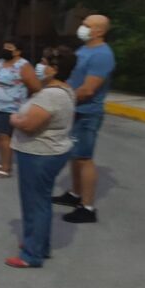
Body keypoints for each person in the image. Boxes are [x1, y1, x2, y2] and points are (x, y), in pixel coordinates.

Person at [5, 47, 77, 268]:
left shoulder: (50, 95)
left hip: (38, 154)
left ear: (54, 69)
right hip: (50, 152)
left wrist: (14, 119)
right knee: (41, 202)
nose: (40, 66)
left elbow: (29, 125)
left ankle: (31, 254)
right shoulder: (65, 90)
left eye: (44, 63)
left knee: (34, 203)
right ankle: (38, 244)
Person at [53, 14, 116, 223]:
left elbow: (88, 89)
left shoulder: (102, 55)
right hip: (76, 110)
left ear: (99, 31)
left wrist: (61, 99)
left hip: (87, 113)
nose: (82, 27)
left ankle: (87, 208)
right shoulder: (85, 49)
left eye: (87, 25)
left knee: (84, 158)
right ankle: (75, 194)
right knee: (76, 155)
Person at [0, 40, 40, 177]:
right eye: (4, 47)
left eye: (9, 47)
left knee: (4, 135)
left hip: (9, 107)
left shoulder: (23, 66)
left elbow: (35, 86)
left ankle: (6, 167)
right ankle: (1, 161)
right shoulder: (1, 62)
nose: (5, 49)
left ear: (18, 51)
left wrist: (21, 96)